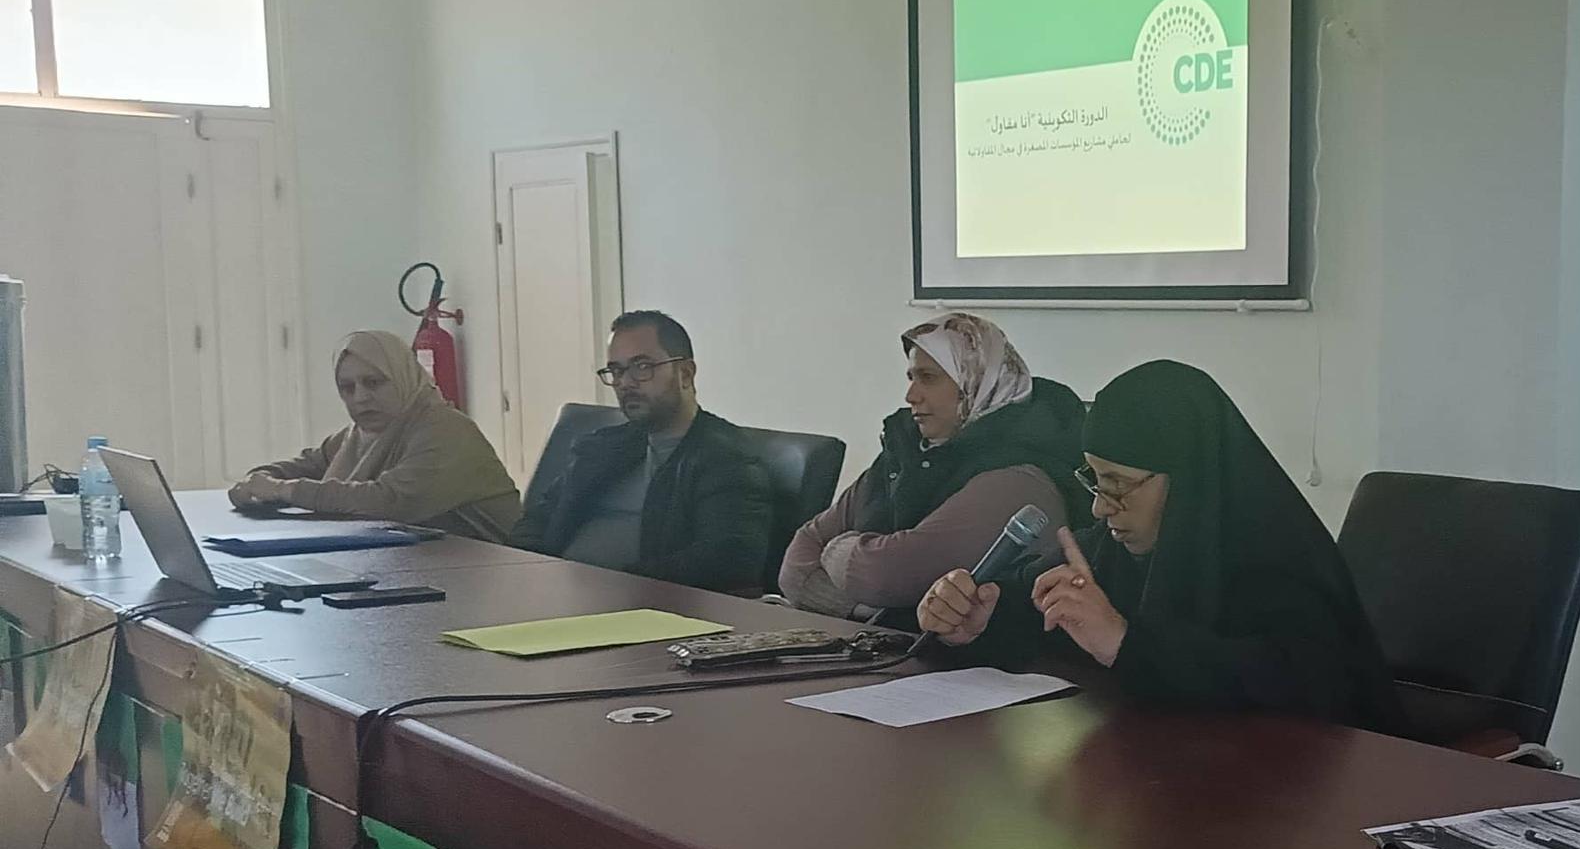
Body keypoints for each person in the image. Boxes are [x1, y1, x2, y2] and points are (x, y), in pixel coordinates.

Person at [916, 360, 1406, 735]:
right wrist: (978, 620)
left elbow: (1298, 689)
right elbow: (1037, 609)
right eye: (1095, 480)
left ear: (1189, 480)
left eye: (1119, 484)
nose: (1100, 508)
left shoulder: (1277, 561)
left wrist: (1124, 642)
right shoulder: (1110, 549)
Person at [778, 314, 1086, 627]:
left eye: (928, 377)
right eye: (911, 377)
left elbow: (886, 575)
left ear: (975, 380)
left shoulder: (1018, 477)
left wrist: (835, 551)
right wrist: (869, 610)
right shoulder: (909, 447)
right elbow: (797, 560)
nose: (911, 395)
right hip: (883, 643)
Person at [510, 310, 774, 594]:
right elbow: (539, 519)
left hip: (642, 605)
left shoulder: (726, 458)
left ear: (685, 374)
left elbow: (726, 561)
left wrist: (615, 587)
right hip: (554, 593)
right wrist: (523, 571)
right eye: (617, 371)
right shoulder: (603, 446)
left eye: (642, 367)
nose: (625, 383)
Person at [229, 330, 521, 542]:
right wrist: (256, 481)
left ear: (404, 377)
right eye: (348, 388)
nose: (360, 397)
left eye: (374, 382)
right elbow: (306, 465)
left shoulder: (446, 429)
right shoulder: (357, 436)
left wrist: (283, 490)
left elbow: (389, 501)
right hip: (422, 564)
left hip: (494, 571)